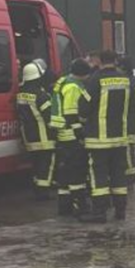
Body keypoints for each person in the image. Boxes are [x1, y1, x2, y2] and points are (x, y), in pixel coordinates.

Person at [80, 50, 133, 222]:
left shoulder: (93, 80)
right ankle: (120, 211)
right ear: (115, 61)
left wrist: (82, 122)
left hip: (99, 139)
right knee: (119, 174)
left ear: (100, 61)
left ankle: (99, 213)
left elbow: (84, 109)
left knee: (99, 174)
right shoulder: (125, 80)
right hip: (120, 138)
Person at [51, 59, 93, 216]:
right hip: (70, 136)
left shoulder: (63, 81)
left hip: (62, 134)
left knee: (64, 174)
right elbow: (70, 113)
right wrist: (79, 134)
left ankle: (65, 207)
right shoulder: (73, 87)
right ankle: (81, 206)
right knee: (76, 171)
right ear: (83, 74)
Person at [15, 60, 56, 200]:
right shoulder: (41, 96)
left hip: (29, 137)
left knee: (35, 165)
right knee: (46, 165)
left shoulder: (20, 94)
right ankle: (43, 192)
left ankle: (36, 188)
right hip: (44, 137)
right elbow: (49, 118)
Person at [118, 56, 135, 191]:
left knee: (128, 152)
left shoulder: (130, 82)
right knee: (128, 151)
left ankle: (129, 180)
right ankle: (129, 179)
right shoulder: (133, 81)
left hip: (129, 123)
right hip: (129, 122)